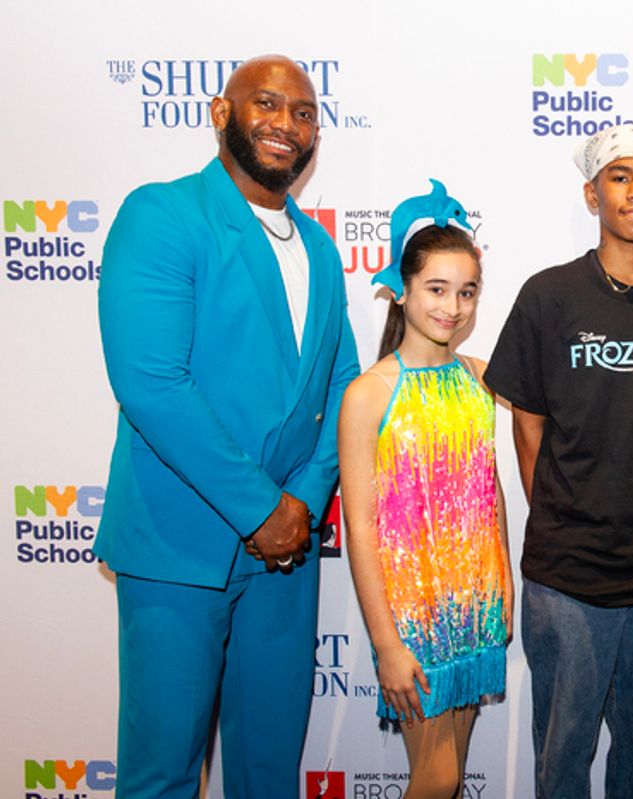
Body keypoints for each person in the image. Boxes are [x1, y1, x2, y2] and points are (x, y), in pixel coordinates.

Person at [95, 55, 360, 798]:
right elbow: (151, 383)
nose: (285, 124)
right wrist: (259, 506)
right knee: (162, 775)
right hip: (180, 544)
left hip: (285, 553)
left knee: (269, 772)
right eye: (266, 104)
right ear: (221, 112)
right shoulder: (163, 214)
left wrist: (302, 501)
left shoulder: (319, 248)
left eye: (303, 112)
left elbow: (341, 384)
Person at [484, 124, 633, 798]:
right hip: (567, 571)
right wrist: (565, 513)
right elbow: (526, 423)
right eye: (620, 177)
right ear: (593, 194)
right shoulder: (548, 296)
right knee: (562, 753)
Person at [337, 189, 512, 799]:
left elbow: (489, 493)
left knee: (451, 776)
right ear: (402, 289)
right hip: (413, 622)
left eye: (467, 292)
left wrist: (505, 584)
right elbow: (359, 528)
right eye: (437, 288)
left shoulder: (482, 378)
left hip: (476, 606)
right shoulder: (369, 394)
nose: (453, 306)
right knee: (435, 780)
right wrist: (387, 645)